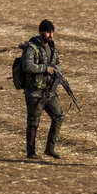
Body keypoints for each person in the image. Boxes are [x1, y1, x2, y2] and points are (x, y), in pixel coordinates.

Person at [20, 19, 64, 159]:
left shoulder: (52, 48)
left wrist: (59, 75)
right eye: (47, 32)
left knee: (58, 117)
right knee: (33, 122)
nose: (50, 35)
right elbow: (27, 66)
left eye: (52, 32)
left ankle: (50, 148)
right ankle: (31, 152)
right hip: (35, 92)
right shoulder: (31, 48)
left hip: (50, 91)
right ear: (40, 32)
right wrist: (46, 69)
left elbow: (57, 64)